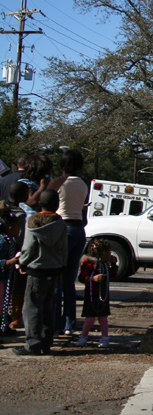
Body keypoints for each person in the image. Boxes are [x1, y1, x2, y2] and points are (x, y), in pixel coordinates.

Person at [14, 189, 67, 356]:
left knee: (32, 307)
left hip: (37, 270)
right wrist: (62, 267)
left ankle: (32, 343)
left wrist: (23, 263)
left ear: (39, 203)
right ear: (57, 205)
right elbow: (63, 249)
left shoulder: (32, 222)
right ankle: (46, 342)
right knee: (48, 306)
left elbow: (28, 248)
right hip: (54, 268)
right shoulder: (60, 223)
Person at [49, 149, 89, 336]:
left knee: (57, 278)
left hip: (62, 227)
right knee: (69, 281)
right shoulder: (83, 184)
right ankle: (69, 323)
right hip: (78, 228)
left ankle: (56, 323)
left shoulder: (58, 182)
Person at [75, 238, 118, 348]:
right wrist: (92, 279)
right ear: (102, 253)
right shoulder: (89, 264)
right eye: (108, 252)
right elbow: (81, 277)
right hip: (91, 294)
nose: (110, 254)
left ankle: (105, 338)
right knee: (89, 319)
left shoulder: (105, 264)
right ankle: (83, 337)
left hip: (103, 295)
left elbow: (112, 275)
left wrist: (114, 265)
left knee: (103, 318)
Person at [0, 202, 25, 335]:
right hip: (0, 280)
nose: (19, 231)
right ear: (10, 228)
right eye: (18, 227)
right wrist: (8, 262)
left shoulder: (8, 240)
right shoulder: (2, 242)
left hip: (4, 280)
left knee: (3, 306)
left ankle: (3, 328)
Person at [7, 182, 30, 329]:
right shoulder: (20, 215)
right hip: (15, 255)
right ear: (23, 196)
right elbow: (20, 238)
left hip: (4, 256)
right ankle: (15, 316)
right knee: (17, 287)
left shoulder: (4, 209)